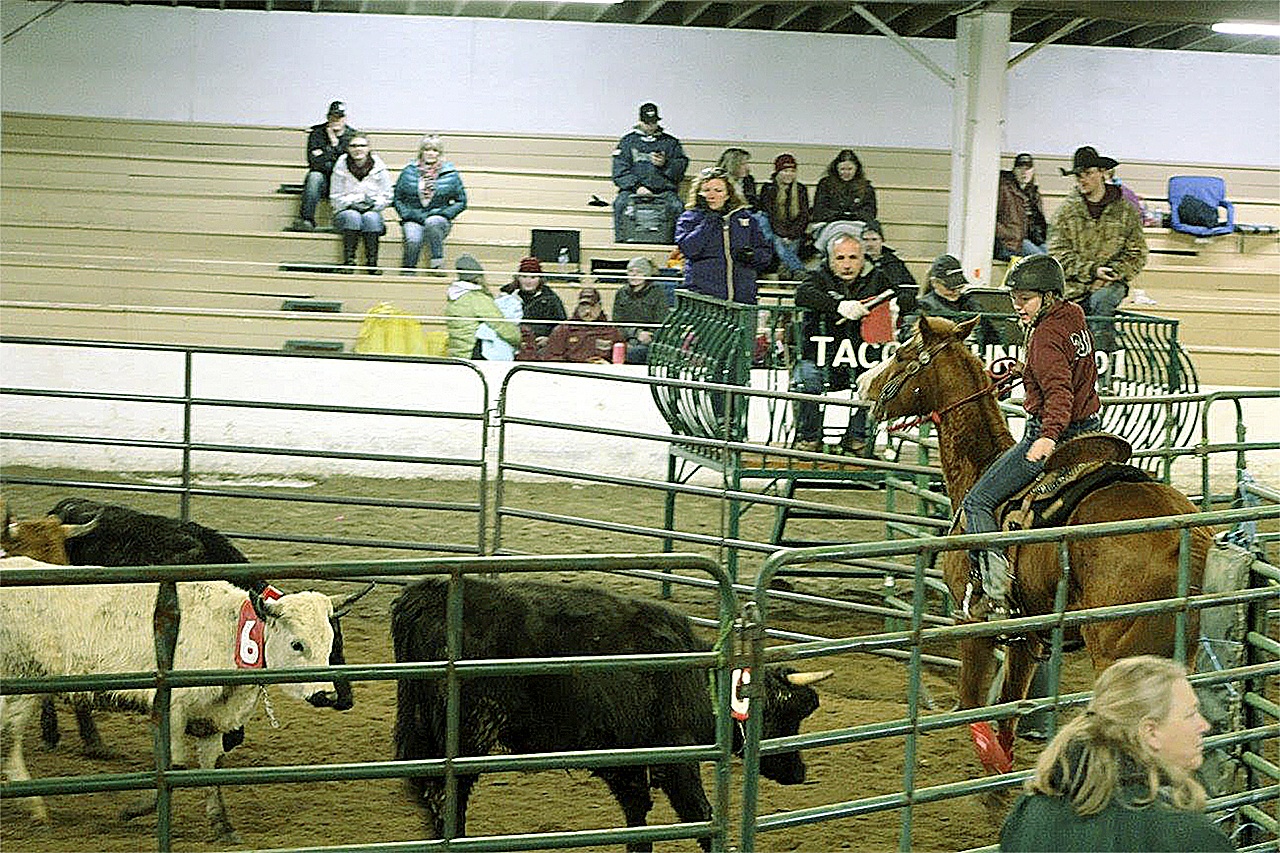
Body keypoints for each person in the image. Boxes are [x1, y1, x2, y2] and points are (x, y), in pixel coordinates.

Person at [961, 254, 1101, 620]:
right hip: (1091, 429)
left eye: (1025, 298)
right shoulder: (1074, 316)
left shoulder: (1044, 336)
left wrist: (1048, 437)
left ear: (1049, 297)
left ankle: (994, 592)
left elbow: (1060, 394)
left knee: (977, 502)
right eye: (1014, 298)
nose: (1017, 306)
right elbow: (1067, 372)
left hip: (1053, 431)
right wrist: (1026, 374)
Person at [1000, 655, 1233, 852]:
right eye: (1190, 714)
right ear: (1150, 732)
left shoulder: (1027, 813)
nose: (1204, 725)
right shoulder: (1190, 837)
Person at [791, 224, 891, 455]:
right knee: (808, 383)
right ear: (831, 260)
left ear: (863, 258)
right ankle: (809, 438)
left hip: (860, 360)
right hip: (817, 357)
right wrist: (838, 306)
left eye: (853, 257)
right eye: (841, 258)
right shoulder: (817, 277)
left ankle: (856, 437)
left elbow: (904, 295)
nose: (847, 264)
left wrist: (894, 304)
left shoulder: (878, 277)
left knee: (878, 384)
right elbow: (802, 294)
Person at [1048, 145, 1148, 351]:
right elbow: (1057, 254)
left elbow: (1137, 253)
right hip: (1073, 286)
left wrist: (1109, 275)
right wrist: (1092, 271)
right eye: (1078, 175)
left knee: (1102, 303)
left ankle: (1102, 364)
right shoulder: (1066, 212)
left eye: (1087, 173)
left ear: (1102, 173)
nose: (1082, 179)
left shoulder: (1125, 212)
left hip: (1111, 282)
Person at [674, 167, 773, 304]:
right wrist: (710, 219)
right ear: (698, 193)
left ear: (728, 195)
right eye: (706, 190)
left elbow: (765, 255)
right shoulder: (689, 218)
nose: (711, 195)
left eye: (718, 191)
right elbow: (689, 249)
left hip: (742, 297)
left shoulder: (746, 219)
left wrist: (752, 256)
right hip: (703, 297)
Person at [611, 102, 688, 243]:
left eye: (653, 122)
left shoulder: (671, 143)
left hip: (664, 191)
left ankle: (674, 245)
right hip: (632, 191)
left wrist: (665, 165)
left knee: (677, 206)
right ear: (640, 121)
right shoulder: (627, 142)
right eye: (647, 123)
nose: (651, 126)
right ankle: (622, 243)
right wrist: (637, 187)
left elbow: (680, 169)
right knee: (620, 204)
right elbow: (619, 171)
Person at [394, 135, 468, 273]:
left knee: (432, 222)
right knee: (412, 239)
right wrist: (407, 214)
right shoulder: (408, 171)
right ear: (421, 151)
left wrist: (445, 213)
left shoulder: (450, 173)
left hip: (438, 218)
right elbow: (397, 198)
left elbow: (461, 201)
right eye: (427, 149)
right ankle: (408, 270)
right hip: (413, 217)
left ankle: (437, 263)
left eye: (435, 150)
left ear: (440, 153)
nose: (431, 153)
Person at [328, 135, 392, 275]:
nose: (358, 149)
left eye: (362, 145)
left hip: (372, 209)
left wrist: (373, 204)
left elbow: (387, 196)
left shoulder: (380, 167)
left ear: (369, 148)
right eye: (354, 146)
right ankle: (348, 261)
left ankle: (372, 263)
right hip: (345, 211)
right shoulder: (340, 166)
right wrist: (353, 202)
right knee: (353, 216)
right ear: (348, 149)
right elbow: (335, 197)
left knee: (371, 218)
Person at [290, 100, 357, 232]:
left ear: (345, 118)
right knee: (314, 176)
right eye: (333, 117)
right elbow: (314, 163)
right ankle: (306, 220)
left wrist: (330, 148)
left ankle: (348, 224)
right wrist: (334, 149)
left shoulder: (353, 136)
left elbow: (349, 166)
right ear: (328, 117)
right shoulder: (317, 134)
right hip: (324, 182)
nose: (336, 120)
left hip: (344, 181)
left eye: (340, 117)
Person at [899, 254, 991, 348]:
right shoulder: (923, 307)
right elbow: (907, 336)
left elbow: (991, 335)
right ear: (934, 283)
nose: (955, 291)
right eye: (950, 287)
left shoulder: (972, 304)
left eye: (959, 286)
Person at [444, 254, 519, 359]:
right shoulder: (477, 298)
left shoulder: (455, 296)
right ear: (479, 277)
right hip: (472, 352)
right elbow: (500, 325)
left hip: (457, 351)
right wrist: (519, 340)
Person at [757, 153, 811, 276]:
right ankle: (799, 270)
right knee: (778, 242)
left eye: (792, 171)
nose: (789, 174)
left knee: (791, 243)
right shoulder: (768, 189)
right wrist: (782, 235)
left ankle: (785, 268)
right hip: (774, 233)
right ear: (777, 172)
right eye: (785, 171)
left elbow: (803, 217)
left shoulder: (801, 190)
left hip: (795, 233)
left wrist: (791, 235)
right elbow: (770, 216)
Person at [611, 256, 671, 364]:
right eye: (630, 271)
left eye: (638, 272)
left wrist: (649, 335)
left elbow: (662, 321)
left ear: (646, 274)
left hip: (651, 339)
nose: (633, 275)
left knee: (638, 352)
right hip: (627, 337)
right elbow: (617, 322)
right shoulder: (621, 293)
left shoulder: (658, 293)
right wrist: (636, 333)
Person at [540, 287, 625, 363]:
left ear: (599, 307)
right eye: (583, 307)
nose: (587, 311)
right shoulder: (563, 330)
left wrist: (607, 364)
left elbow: (620, 360)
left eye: (592, 306)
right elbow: (552, 358)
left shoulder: (611, 331)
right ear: (578, 307)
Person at [502, 256, 566, 352]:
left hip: (539, 345)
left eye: (533, 277)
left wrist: (549, 339)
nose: (528, 281)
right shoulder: (506, 296)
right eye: (524, 277)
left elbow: (561, 325)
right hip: (510, 342)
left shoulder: (551, 299)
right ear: (518, 278)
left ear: (540, 279)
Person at [995, 153, 1050, 261]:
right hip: (1011, 243)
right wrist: (1009, 234)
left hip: (1033, 240)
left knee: (1054, 257)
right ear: (1014, 170)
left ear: (1033, 171)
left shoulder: (1033, 194)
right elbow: (990, 219)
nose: (1024, 172)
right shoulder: (1004, 189)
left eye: (1028, 169)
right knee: (1043, 261)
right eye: (1020, 168)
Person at [810, 149, 877, 232]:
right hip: (830, 225)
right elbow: (819, 211)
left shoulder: (866, 187)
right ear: (836, 169)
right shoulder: (825, 184)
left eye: (849, 169)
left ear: (856, 169)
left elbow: (870, 213)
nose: (846, 172)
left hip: (857, 226)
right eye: (842, 169)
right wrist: (840, 215)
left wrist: (852, 216)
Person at [860, 220, 916, 294]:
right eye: (865, 240)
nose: (869, 244)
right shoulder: (856, 262)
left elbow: (909, 287)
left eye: (874, 239)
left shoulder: (894, 263)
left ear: (882, 241)